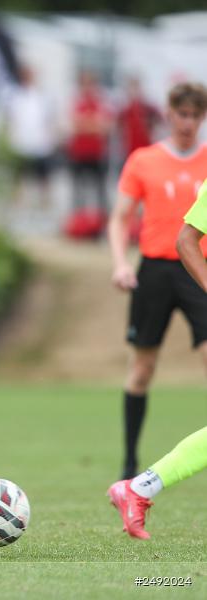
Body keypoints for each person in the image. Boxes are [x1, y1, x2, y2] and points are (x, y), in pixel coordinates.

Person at [106, 82, 207, 480]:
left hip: (198, 269)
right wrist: (120, 263)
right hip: (155, 270)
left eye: (195, 115)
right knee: (143, 367)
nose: (188, 122)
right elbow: (120, 219)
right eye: (182, 114)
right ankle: (129, 464)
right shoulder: (143, 160)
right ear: (168, 114)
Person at [8, 66, 56, 207]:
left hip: (40, 143)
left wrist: (50, 139)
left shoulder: (42, 96)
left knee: (43, 177)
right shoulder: (16, 96)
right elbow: (12, 119)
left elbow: (49, 120)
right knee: (19, 176)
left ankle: (44, 203)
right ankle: (19, 202)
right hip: (21, 143)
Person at [68, 71, 112, 221]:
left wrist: (85, 124)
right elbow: (74, 125)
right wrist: (93, 124)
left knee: (100, 191)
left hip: (97, 152)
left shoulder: (101, 102)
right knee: (78, 191)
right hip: (79, 152)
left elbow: (105, 126)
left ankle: (101, 220)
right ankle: (79, 220)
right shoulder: (76, 101)